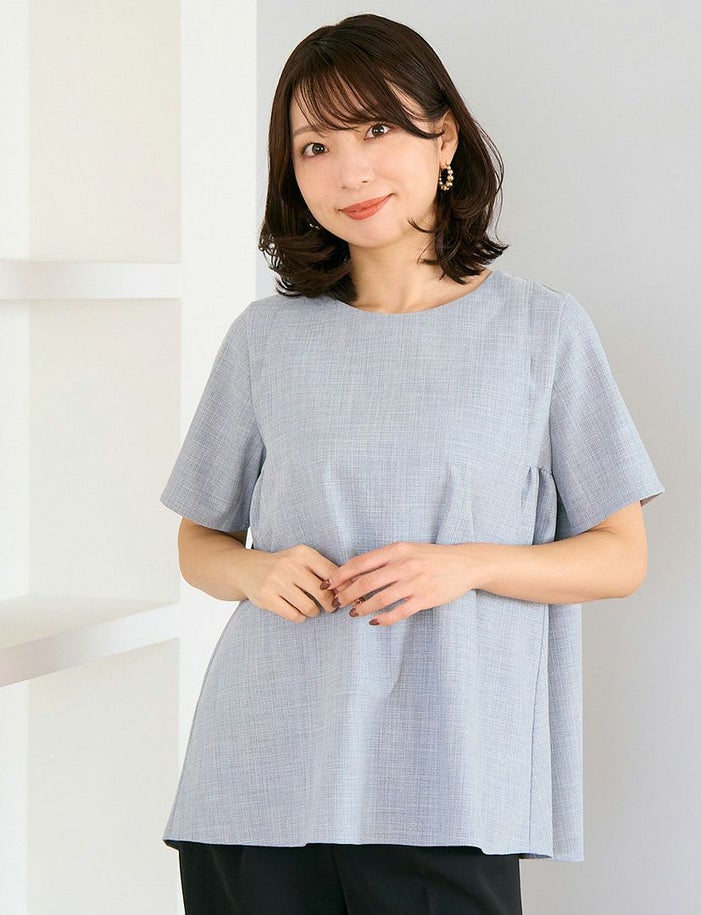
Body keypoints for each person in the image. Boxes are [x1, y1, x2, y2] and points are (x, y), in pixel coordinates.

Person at [158, 12, 665, 915]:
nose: (350, 171)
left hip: (448, 780)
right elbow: (200, 542)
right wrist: (255, 571)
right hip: (260, 778)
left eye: (378, 128)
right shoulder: (266, 339)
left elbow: (621, 556)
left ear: (446, 139)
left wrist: (464, 564)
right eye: (315, 146)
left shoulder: (541, 331)